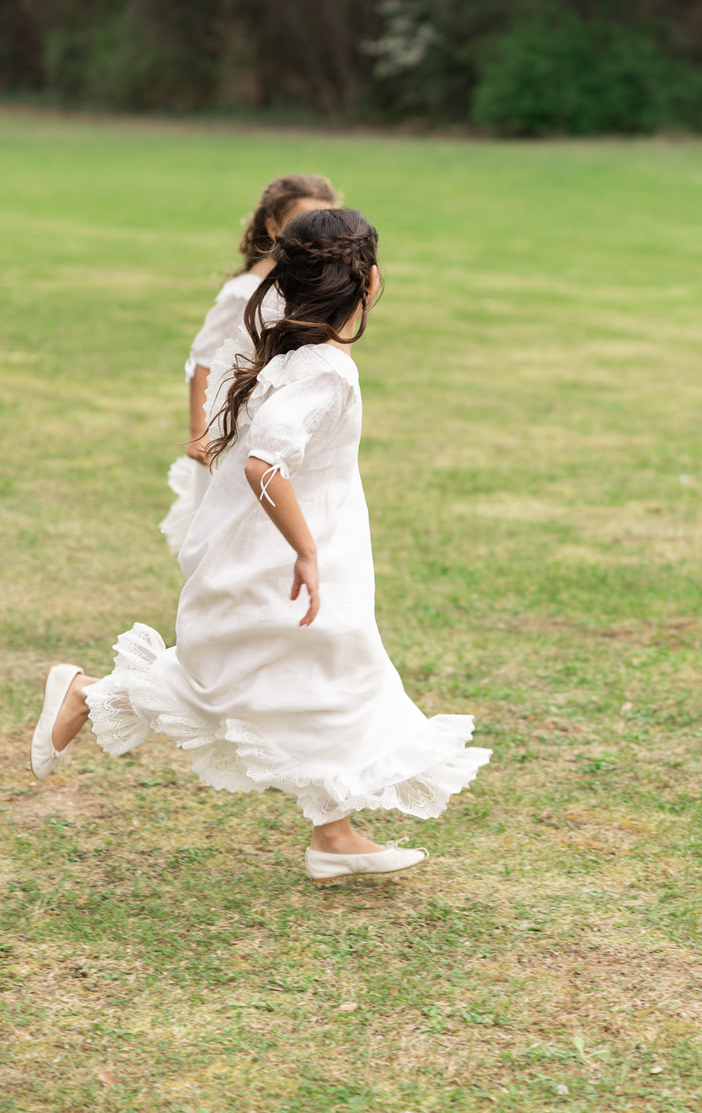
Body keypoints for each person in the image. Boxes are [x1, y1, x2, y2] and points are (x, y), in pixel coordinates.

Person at [32, 207, 490, 882]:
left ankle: (333, 835)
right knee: (259, 682)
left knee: (317, 680)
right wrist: (305, 551)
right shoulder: (324, 371)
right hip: (283, 558)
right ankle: (88, 692)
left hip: (303, 551)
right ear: (368, 283)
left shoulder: (299, 356)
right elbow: (264, 467)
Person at [160, 173, 340, 555]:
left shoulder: (310, 287)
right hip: (239, 428)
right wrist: (199, 431)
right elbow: (203, 357)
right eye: (302, 224)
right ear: (274, 228)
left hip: (278, 424)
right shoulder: (245, 292)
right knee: (231, 534)